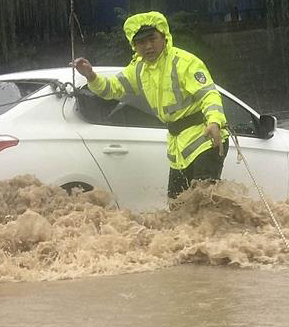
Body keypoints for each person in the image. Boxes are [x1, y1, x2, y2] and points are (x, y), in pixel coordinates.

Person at [72, 11, 229, 201]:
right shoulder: (138, 69)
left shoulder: (185, 63)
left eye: (152, 39)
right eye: (140, 42)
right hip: (178, 146)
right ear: (134, 46)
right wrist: (91, 76)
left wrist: (214, 122)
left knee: (202, 202)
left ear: (164, 36)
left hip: (205, 139)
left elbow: (209, 94)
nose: (147, 46)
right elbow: (112, 89)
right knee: (177, 206)